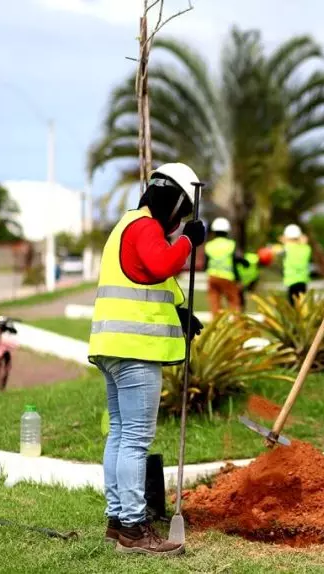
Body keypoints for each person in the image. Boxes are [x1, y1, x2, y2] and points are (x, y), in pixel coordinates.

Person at [88, 162, 207, 556]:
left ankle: (118, 520)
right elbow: (161, 263)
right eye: (182, 213)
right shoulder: (145, 227)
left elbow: (147, 277)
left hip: (112, 348)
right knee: (135, 439)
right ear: (173, 201)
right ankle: (136, 530)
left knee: (121, 434)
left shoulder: (126, 226)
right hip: (135, 352)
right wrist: (189, 241)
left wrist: (180, 307)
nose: (180, 222)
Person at [203, 217, 249, 314]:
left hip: (212, 277)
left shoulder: (209, 245)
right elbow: (234, 261)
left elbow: (205, 264)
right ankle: (236, 323)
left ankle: (215, 325)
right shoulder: (231, 244)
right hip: (227, 277)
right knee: (234, 301)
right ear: (227, 231)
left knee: (214, 303)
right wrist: (239, 276)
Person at [281, 223, 312, 304]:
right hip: (303, 281)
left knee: (293, 306)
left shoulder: (287, 248)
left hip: (291, 282)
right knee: (302, 305)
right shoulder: (306, 248)